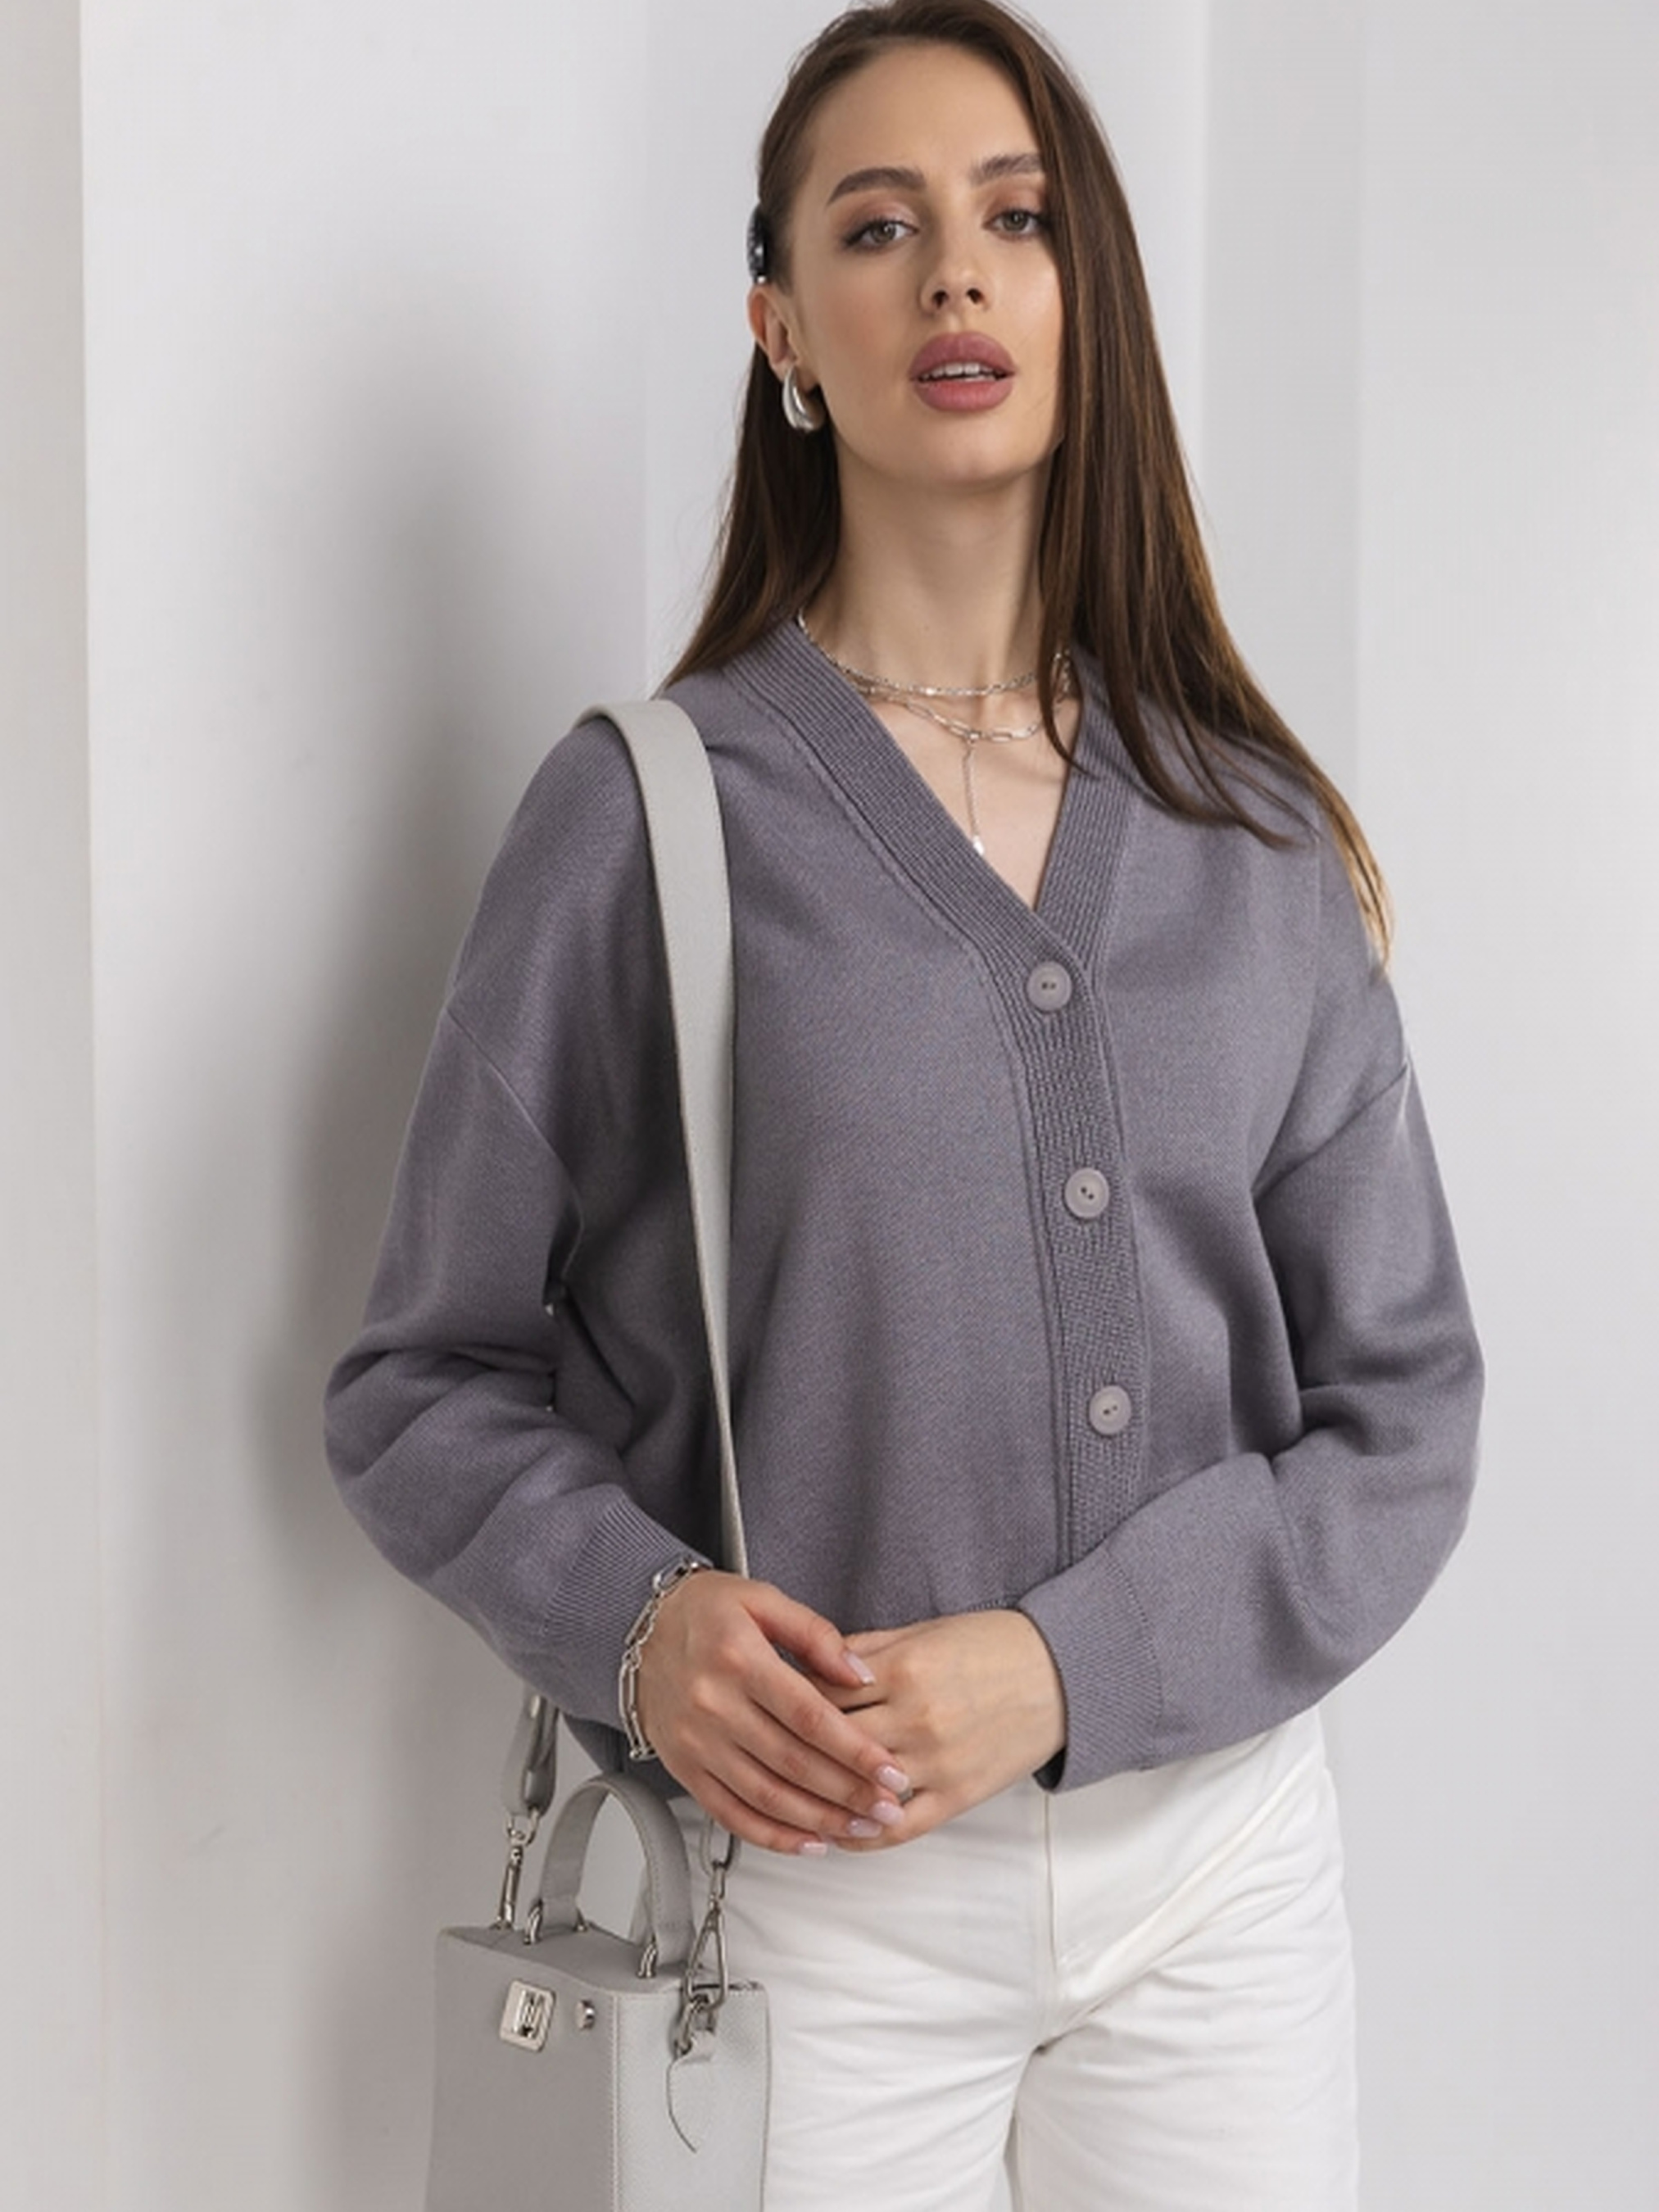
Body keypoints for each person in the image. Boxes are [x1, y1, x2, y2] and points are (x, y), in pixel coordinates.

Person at [324, 3, 1483, 2205]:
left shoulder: (1250, 839)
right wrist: (639, 1621)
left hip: (1222, 1877)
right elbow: (417, 1381)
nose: (956, 270)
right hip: (808, 1909)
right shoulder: (646, 820)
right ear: (781, 326)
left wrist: (1063, 1667)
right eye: (878, 227)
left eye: (1014, 219)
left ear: (1079, 293)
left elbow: (1405, 1415)